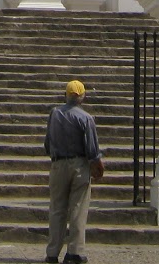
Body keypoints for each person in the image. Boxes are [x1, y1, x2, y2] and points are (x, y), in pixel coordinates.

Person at [44, 79, 103, 264]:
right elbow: (92, 149)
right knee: (78, 208)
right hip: (79, 164)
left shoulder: (54, 114)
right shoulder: (86, 118)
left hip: (58, 163)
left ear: (66, 95)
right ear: (82, 97)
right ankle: (74, 252)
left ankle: (52, 253)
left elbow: (47, 143)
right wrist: (97, 166)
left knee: (57, 209)